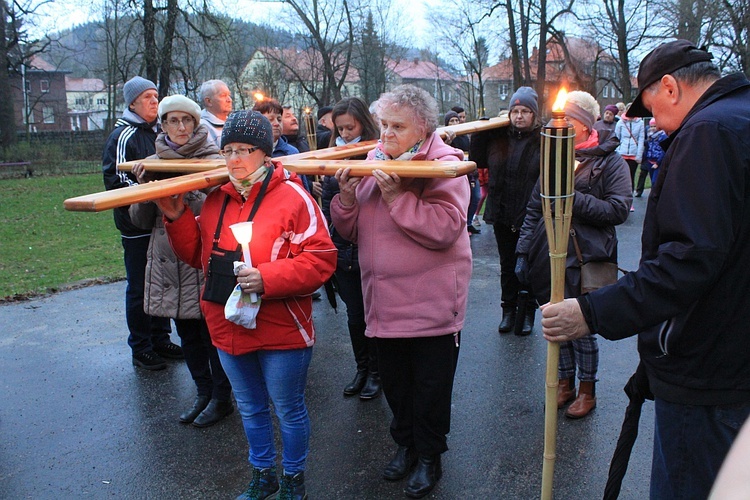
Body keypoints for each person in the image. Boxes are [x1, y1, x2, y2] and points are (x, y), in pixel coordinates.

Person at [540, 40, 750, 499]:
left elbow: (689, 260)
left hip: (708, 366)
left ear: (670, 87)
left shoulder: (707, 132)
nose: (651, 119)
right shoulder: (740, 117)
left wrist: (593, 312)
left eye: (651, 103)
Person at [154, 110, 337, 499]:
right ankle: (262, 473)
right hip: (228, 325)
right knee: (251, 409)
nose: (235, 158)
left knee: (287, 408)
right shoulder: (217, 198)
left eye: (246, 150)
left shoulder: (294, 197)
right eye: (229, 150)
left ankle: (292, 478)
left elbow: (321, 259)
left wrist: (267, 279)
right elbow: (198, 257)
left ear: (265, 154)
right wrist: (177, 217)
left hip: (281, 325)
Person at [331, 84, 471, 499]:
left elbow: (447, 229)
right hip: (383, 302)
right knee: (395, 383)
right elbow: (351, 231)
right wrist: (346, 199)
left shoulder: (446, 165)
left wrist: (396, 198)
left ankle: (429, 455)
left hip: (431, 303)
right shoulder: (374, 161)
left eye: (397, 127)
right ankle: (406, 445)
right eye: (384, 125)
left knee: (430, 387)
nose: (386, 134)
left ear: (423, 129)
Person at [515, 91, 632, 419]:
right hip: (549, 254)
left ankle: (586, 390)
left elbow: (618, 208)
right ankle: (563, 383)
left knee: (579, 327)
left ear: (582, 125)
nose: (557, 126)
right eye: (555, 120)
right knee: (555, 324)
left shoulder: (610, 161)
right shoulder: (553, 156)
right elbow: (534, 208)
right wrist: (523, 252)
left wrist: (571, 198)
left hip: (586, 259)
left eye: (565, 121)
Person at [129, 95, 233, 427]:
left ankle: (221, 397)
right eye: (172, 121)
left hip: (204, 257)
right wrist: (146, 187)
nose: (181, 127)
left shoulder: (217, 160)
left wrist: (185, 192)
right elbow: (139, 219)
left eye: (186, 120)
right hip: (167, 260)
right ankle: (203, 392)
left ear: (196, 122)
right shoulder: (152, 161)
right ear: (163, 125)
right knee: (187, 334)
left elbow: (221, 213)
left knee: (212, 333)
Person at [102, 75, 181, 370]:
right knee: (139, 286)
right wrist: (143, 189)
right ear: (133, 102)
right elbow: (115, 179)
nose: (154, 101)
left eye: (155, 96)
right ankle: (141, 346)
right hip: (136, 225)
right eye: (147, 97)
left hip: (160, 220)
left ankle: (161, 337)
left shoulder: (158, 132)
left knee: (160, 281)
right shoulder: (123, 136)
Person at [321, 97, 381, 400]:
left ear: (364, 123)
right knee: (355, 315)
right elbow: (328, 210)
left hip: (371, 248)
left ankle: (377, 372)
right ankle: (362, 368)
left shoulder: (377, 154)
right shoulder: (333, 156)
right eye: (340, 128)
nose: (345, 134)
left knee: (374, 316)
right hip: (344, 252)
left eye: (351, 127)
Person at [469, 86, 541, 336]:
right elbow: (478, 159)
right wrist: (481, 131)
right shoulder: (498, 137)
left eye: (525, 111)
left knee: (529, 264)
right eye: (515, 111)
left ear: (534, 114)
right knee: (507, 265)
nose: (519, 116)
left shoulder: (543, 139)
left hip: (530, 215)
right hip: (502, 212)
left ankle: (528, 312)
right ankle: (508, 311)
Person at [444, 111, 478, 235]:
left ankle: (468, 223)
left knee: (475, 197)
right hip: (455, 174)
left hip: (469, 172)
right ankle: (461, 227)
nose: (455, 123)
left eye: (457, 120)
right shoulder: (444, 137)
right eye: (451, 121)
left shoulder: (465, 136)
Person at [614, 103, 645, 199]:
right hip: (622, 153)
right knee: (621, 177)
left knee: (631, 177)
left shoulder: (640, 123)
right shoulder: (621, 122)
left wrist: (639, 156)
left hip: (633, 154)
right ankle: (620, 197)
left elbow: (641, 140)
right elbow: (616, 138)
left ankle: (629, 199)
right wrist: (616, 152)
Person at [199, 79, 233, 147]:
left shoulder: (233, 123)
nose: (229, 100)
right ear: (208, 101)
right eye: (223, 95)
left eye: (229, 95)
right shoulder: (201, 127)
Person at [644, 118, 667, 187]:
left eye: (655, 126)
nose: (653, 128)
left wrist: (658, 162)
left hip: (658, 161)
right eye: (651, 126)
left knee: (655, 181)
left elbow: (663, 150)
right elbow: (647, 147)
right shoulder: (649, 136)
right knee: (652, 180)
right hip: (650, 160)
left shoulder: (663, 136)